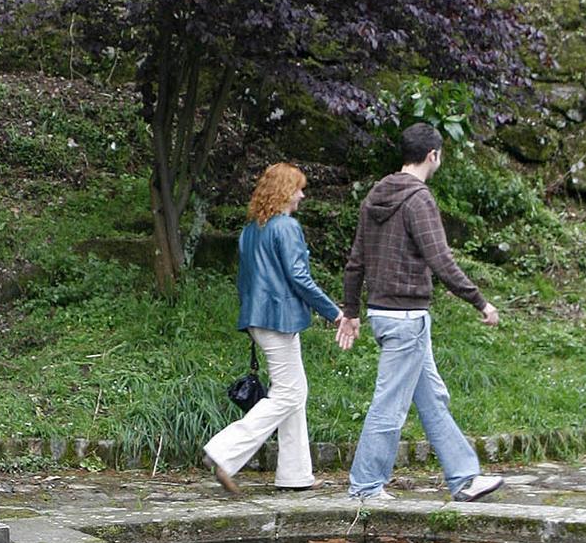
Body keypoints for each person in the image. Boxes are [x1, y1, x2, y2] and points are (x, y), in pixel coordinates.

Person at [337, 122, 503, 504]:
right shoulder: (418, 198)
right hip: (407, 319)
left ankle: (464, 477)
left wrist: (351, 310)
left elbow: (355, 263)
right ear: (433, 155)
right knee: (389, 406)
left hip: (385, 315)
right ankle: (364, 486)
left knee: (432, 399)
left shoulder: (375, 196)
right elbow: (441, 259)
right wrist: (480, 301)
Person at [203, 163, 348, 495]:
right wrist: (333, 312)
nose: (302, 194)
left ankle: (296, 475)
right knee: (288, 393)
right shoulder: (287, 227)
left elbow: (245, 281)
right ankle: (223, 453)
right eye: (298, 188)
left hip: (257, 317)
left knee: (295, 392)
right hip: (278, 318)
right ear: (284, 191)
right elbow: (300, 278)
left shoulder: (251, 230)